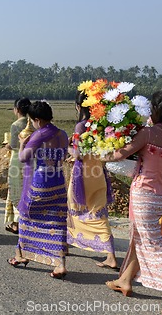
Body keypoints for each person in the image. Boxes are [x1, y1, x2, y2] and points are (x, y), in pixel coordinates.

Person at [102, 91, 162, 315]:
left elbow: (120, 154)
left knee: (154, 247)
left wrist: (101, 154)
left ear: (156, 109)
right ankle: (125, 280)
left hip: (145, 195)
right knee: (139, 239)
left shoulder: (148, 133)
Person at [7, 100, 69, 279]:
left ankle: (20, 255)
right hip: (58, 181)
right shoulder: (63, 134)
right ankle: (60, 264)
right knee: (57, 223)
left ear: (37, 120)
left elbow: (24, 158)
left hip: (41, 182)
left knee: (26, 216)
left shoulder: (39, 135)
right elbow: (64, 156)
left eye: (33, 121)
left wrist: (21, 143)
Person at [67, 92, 118, 270]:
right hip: (99, 172)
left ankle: (67, 244)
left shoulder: (80, 126)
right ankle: (110, 255)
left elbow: (77, 153)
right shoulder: (102, 125)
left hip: (83, 173)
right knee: (98, 211)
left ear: (78, 106)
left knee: (74, 206)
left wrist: (68, 147)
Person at [4, 97, 31, 234]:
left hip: (17, 159)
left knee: (16, 190)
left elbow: (14, 144)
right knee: (26, 189)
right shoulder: (32, 123)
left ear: (17, 110)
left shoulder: (16, 125)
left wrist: (6, 145)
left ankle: (19, 222)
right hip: (31, 160)